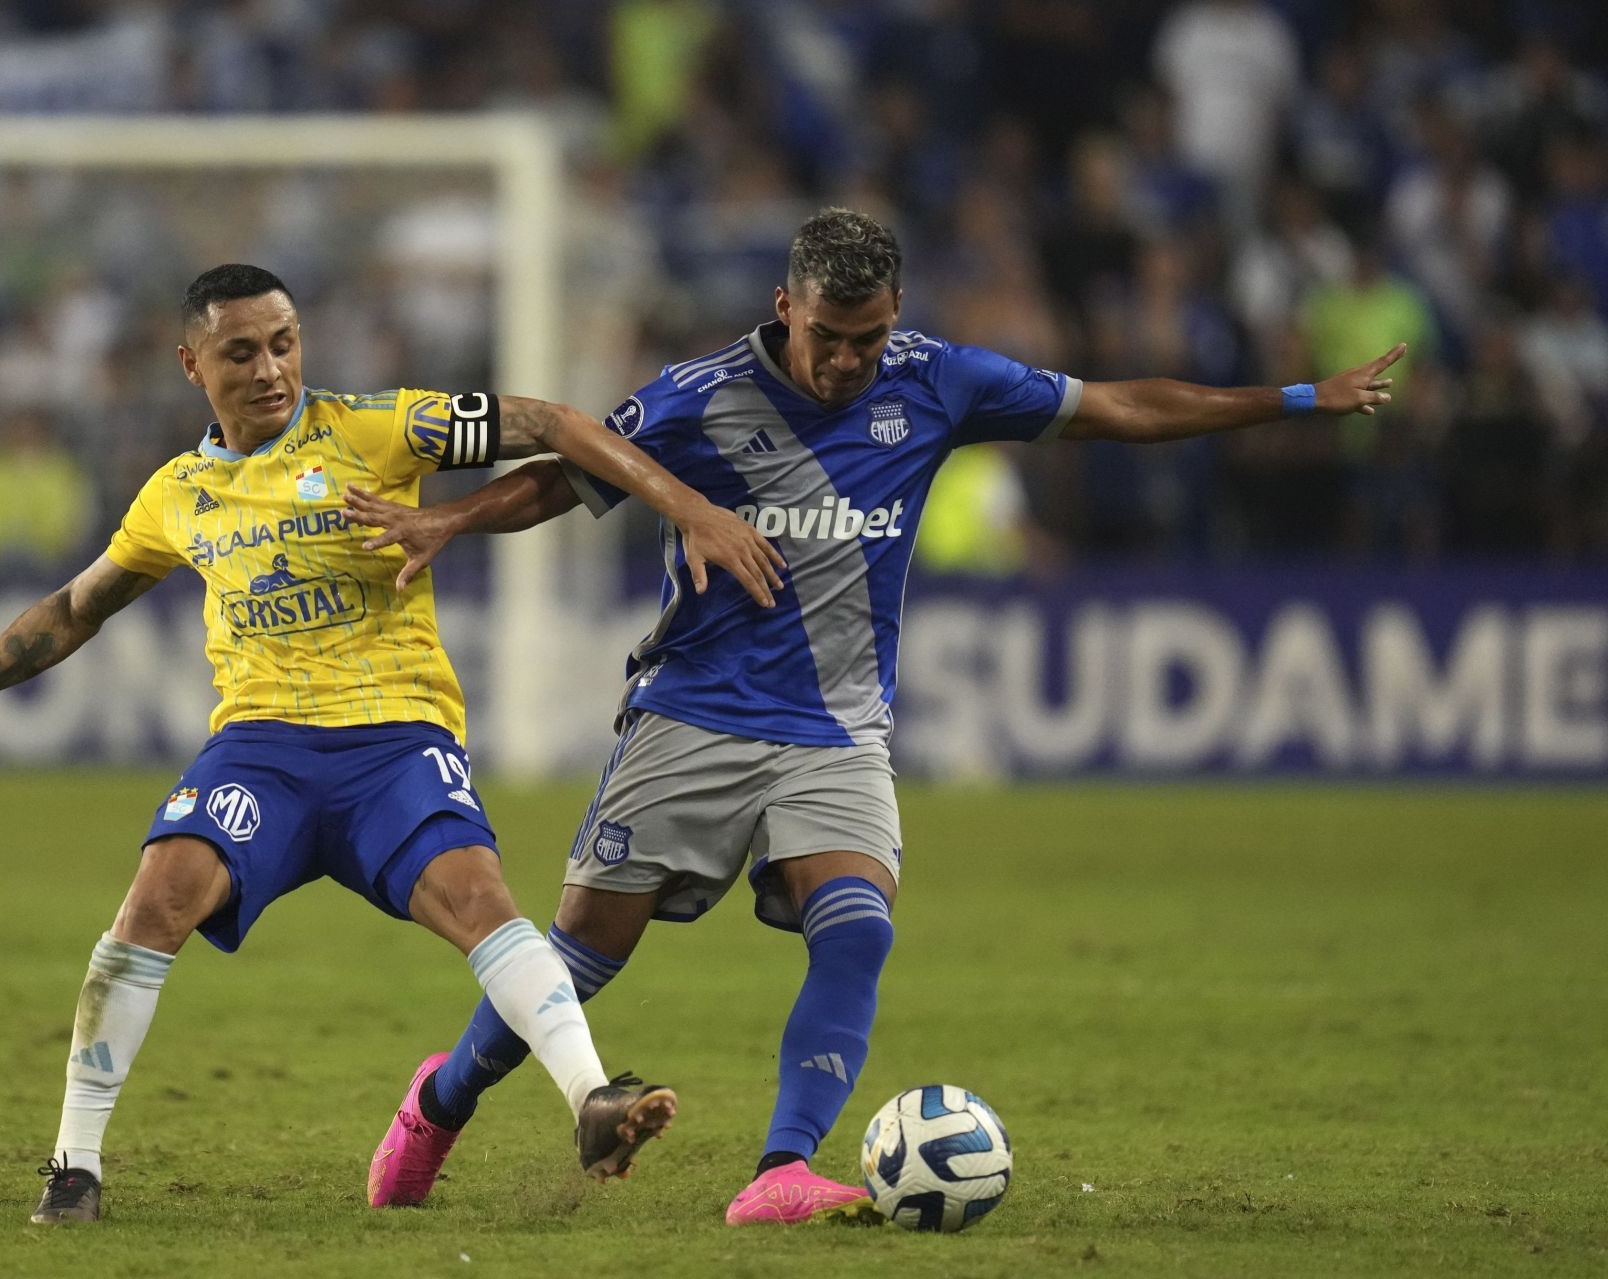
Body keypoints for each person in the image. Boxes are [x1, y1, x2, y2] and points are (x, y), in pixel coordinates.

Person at [349, 209, 1406, 1224]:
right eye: (825, 337)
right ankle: (437, 1106)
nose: (846, 361)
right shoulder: (701, 396)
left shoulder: (940, 380)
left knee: (856, 928)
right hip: (692, 714)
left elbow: (1120, 410)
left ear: (896, 312)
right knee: (581, 955)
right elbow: (565, 479)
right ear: (783, 306)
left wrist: (1302, 396)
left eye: (867, 338)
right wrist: (451, 517)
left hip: (838, 728)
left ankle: (781, 1169)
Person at [0, 264, 788, 1225]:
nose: (271, 367)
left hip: (394, 740)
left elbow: (560, 427)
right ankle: (73, 1166)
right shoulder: (177, 493)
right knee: (156, 898)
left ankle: (594, 1099)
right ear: (192, 364)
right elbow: (73, 607)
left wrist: (686, 507)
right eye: (242, 351)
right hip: (261, 752)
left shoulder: (377, 427)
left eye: (285, 342)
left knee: (482, 899)